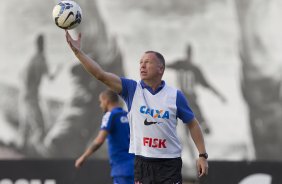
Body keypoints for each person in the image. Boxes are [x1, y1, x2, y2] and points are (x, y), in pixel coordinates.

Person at [65, 30, 208, 183]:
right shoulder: (132, 90)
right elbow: (101, 75)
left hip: (168, 165)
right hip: (143, 166)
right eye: (141, 62)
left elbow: (192, 124)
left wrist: (202, 155)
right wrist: (77, 52)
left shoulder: (175, 96)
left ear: (161, 69)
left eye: (148, 62)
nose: (142, 65)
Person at [75, 89, 134, 184]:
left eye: (101, 102)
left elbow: (99, 140)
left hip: (121, 168)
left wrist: (83, 157)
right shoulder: (128, 115)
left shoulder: (110, 115)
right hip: (135, 167)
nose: (100, 105)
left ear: (106, 101)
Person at [167, 44, 226, 134]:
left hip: (181, 98)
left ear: (185, 53)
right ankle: (202, 128)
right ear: (192, 54)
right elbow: (207, 85)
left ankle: (193, 132)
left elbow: (164, 65)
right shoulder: (194, 68)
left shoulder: (180, 64)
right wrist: (219, 95)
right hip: (191, 98)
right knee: (198, 117)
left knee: (187, 119)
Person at [17, 33, 62, 153]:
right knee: (40, 126)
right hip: (31, 97)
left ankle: (23, 150)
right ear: (43, 44)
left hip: (25, 95)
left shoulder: (32, 59)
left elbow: (21, 75)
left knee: (26, 125)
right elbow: (51, 78)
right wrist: (58, 69)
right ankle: (33, 152)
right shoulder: (41, 60)